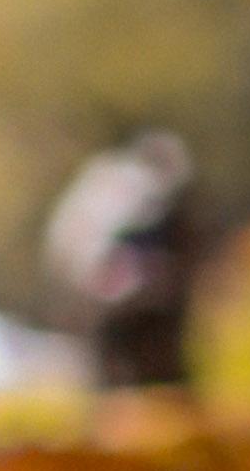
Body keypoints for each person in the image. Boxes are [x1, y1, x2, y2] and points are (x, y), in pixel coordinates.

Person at [43, 131, 207, 392]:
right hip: (110, 303)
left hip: (113, 301)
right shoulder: (128, 188)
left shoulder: (102, 182)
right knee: (124, 383)